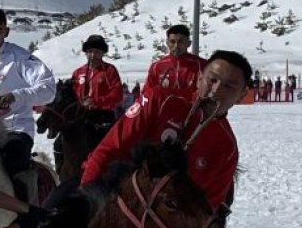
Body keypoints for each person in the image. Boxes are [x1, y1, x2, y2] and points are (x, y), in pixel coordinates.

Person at [80, 49, 253, 212]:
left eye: (229, 87)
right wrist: (86, 200)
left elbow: (206, 210)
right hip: (113, 200)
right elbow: (108, 151)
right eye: (212, 80)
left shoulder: (226, 148)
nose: (216, 91)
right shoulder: (160, 100)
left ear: (242, 94)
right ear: (200, 78)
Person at [0, 5, 56, 202]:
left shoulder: (21, 59)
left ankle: (27, 213)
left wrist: (17, 96)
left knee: (13, 162)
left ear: (6, 31)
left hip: (15, 129)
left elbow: (49, 90)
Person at [142, 24, 206, 103]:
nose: (176, 46)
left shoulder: (201, 65)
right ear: (167, 43)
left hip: (191, 113)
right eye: (172, 42)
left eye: (180, 42)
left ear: (188, 43)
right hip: (163, 114)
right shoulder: (157, 67)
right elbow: (146, 95)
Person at [70, 34, 124, 113]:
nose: (93, 55)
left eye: (97, 52)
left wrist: (95, 101)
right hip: (80, 116)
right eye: (90, 51)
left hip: (104, 115)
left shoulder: (109, 70)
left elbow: (118, 95)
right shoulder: (77, 72)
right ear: (86, 53)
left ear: (103, 53)